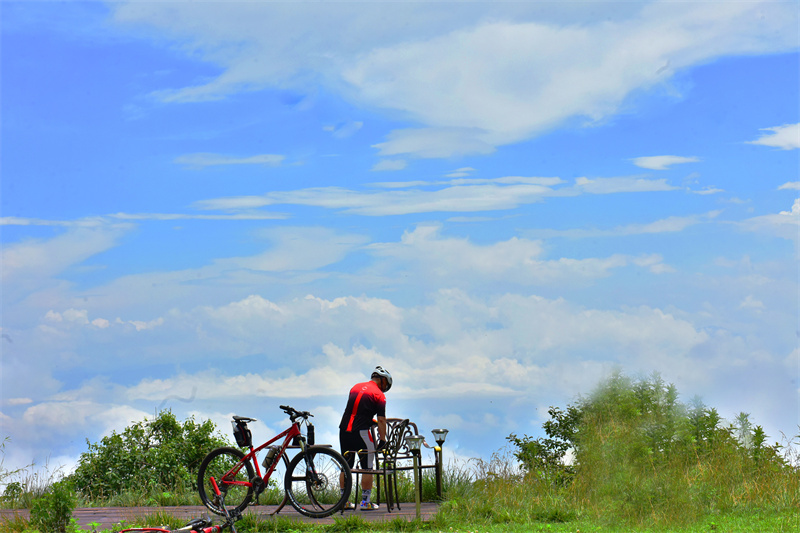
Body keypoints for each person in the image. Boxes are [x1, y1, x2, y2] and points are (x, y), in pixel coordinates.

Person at [339, 366, 392, 510]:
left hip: (344, 430)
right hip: (361, 432)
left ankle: (343, 501)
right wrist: (382, 440)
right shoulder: (379, 395)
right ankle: (365, 502)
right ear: (383, 381)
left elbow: (357, 410)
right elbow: (381, 420)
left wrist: (368, 419)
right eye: (386, 385)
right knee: (367, 467)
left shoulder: (355, 387)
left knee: (346, 465)